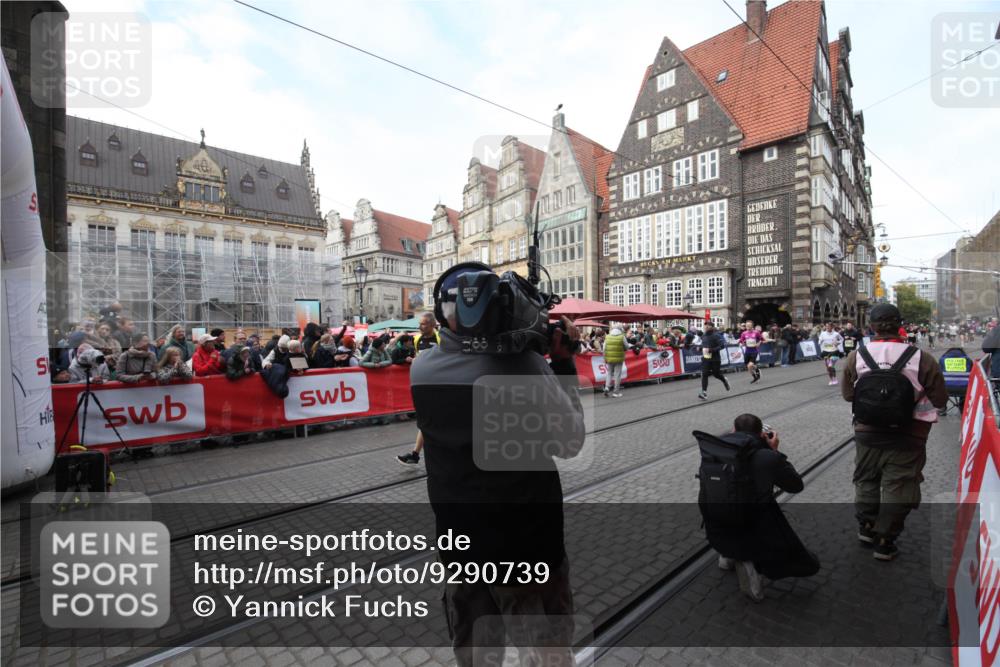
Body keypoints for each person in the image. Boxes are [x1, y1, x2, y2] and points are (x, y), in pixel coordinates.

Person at [409, 262, 585, 666]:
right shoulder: (527, 368)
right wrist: (560, 361)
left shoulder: (422, 369)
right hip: (526, 544)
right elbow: (571, 442)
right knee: (545, 652)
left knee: (474, 652)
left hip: (459, 544)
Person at [840, 304, 948, 561]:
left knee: (866, 478)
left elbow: (847, 395)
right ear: (901, 325)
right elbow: (941, 400)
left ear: (871, 327)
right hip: (909, 434)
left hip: (867, 431)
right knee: (899, 484)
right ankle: (885, 541)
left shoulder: (858, 355)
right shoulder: (922, 358)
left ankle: (866, 527)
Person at [697, 414, 818, 602]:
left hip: (714, 519)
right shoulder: (766, 457)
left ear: (733, 430)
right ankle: (748, 565)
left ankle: (727, 555)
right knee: (757, 510)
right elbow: (795, 486)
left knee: (730, 502)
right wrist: (775, 452)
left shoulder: (713, 449)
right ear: (761, 435)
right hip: (750, 525)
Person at [397, 313, 443, 466]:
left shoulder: (441, 339)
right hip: (425, 385)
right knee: (427, 420)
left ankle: (417, 454)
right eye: (420, 323)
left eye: (423, 324)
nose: (420, 326)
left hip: (440, 385)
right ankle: (415, 454)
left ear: (432, 325)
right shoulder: (417, 339)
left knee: (431, 421)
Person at [698, 321, 730, 400]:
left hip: (715, 359)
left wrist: (712, 350)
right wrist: (700, 347)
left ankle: (724, 380)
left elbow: (722, 345)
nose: (706, 327)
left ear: (712, 327)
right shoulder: (703, 336)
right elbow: (704, 344)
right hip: (706, 358)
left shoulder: (716, 335)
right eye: (705, 325)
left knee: (716, 374)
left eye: (708, 326)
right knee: (704, 374)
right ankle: (704, 393)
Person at [602, 327, 626, 397]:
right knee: (617, 375)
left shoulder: (607, 336)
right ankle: (616, 392)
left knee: (609, 373)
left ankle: (607, 387)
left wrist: (604, 358)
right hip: (619, 358)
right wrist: (623, 348)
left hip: (609, 358)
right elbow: (627, 347)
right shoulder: (622, 337)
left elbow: (604, 348)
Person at [739, 319, 764, 384]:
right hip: (747, 351)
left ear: (752, 326)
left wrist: (759, 343)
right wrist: (742, 344)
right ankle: (757, 370)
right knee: (749, 365)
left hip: (754, 351)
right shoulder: (744, 333)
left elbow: (761, 339)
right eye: (747, 325)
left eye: (749, 326)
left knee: (750, 366)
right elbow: (741, 341)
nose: (748, 327)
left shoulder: (756, 332)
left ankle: (755, 377)